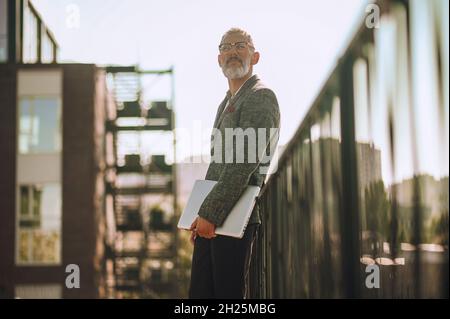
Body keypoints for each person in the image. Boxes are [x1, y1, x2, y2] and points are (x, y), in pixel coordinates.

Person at [188, 27, 280, 299]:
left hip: (235, 217)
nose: (232, 52)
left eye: (241, 45)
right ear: (218, 60)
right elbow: (218, 165)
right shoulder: (225, 103)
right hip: (214, 218)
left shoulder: (260, 96)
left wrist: (210, 212)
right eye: (225, 47)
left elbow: (244, 163)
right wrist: (200, 215)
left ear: (256, 56)